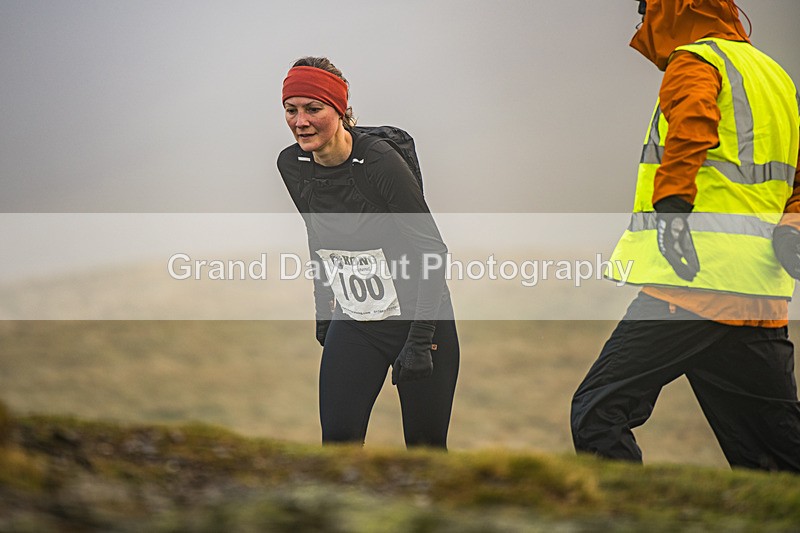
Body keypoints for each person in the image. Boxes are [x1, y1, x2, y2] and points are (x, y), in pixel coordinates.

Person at [570, 0, 800, 471]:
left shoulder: (696, 60)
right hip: (759, 295)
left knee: (599, 413)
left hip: (693, 281)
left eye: (645, 10)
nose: (641, 24)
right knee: (774, 458)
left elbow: (692, 126)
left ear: (671, 9)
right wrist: (793, 229)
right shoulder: (776, 76)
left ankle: (623, 520)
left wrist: (672, 206)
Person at [277, 57, 459, 448]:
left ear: (340, 111)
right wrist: (324, 310)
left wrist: (420, 337)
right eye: (291, 110)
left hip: (419, 318)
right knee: (339, 445)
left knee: (425, 450)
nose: (300, 122)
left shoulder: (378, 161)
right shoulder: (293, 165)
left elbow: (432, 249)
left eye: (313, 109)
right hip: (358, 319)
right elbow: (317, 238)